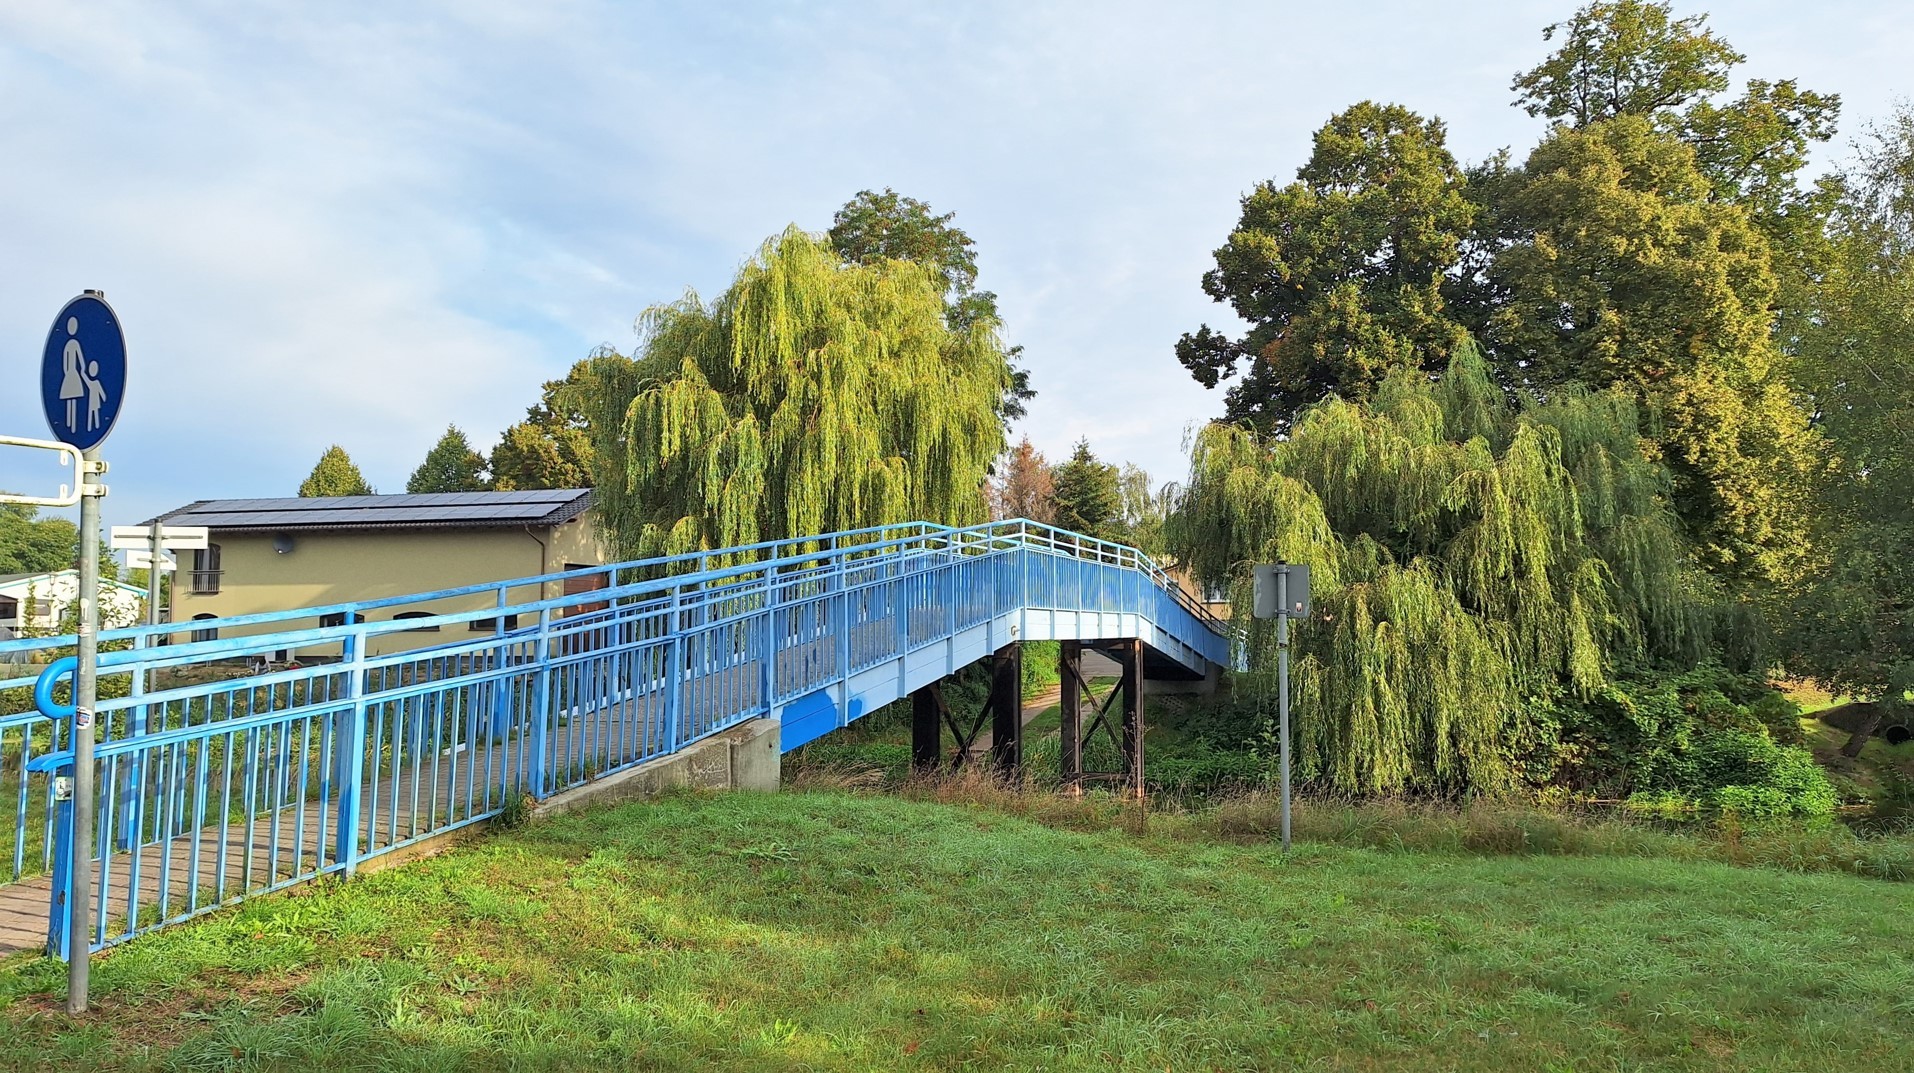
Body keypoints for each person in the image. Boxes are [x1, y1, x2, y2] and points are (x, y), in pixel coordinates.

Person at [59, 318, 83, 433]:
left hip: (70, 374)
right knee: (72, 398)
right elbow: (80, 360)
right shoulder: (73, 344)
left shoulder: (70, 344)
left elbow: (65, 362)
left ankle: (71, 425)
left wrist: (67, 372)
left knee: (71, 398)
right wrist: (82, 370)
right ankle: (71, 426)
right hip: (73, 373)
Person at [85, 359, 106, 432]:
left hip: (95, 401)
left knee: (95, 413)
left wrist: (103, 398)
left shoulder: (96, 383)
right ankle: (89, 428)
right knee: (91, 414)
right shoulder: (93, 383)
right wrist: (83, 374)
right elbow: (86, 381)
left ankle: (95, 426)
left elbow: (101, 391)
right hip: (92, 401)